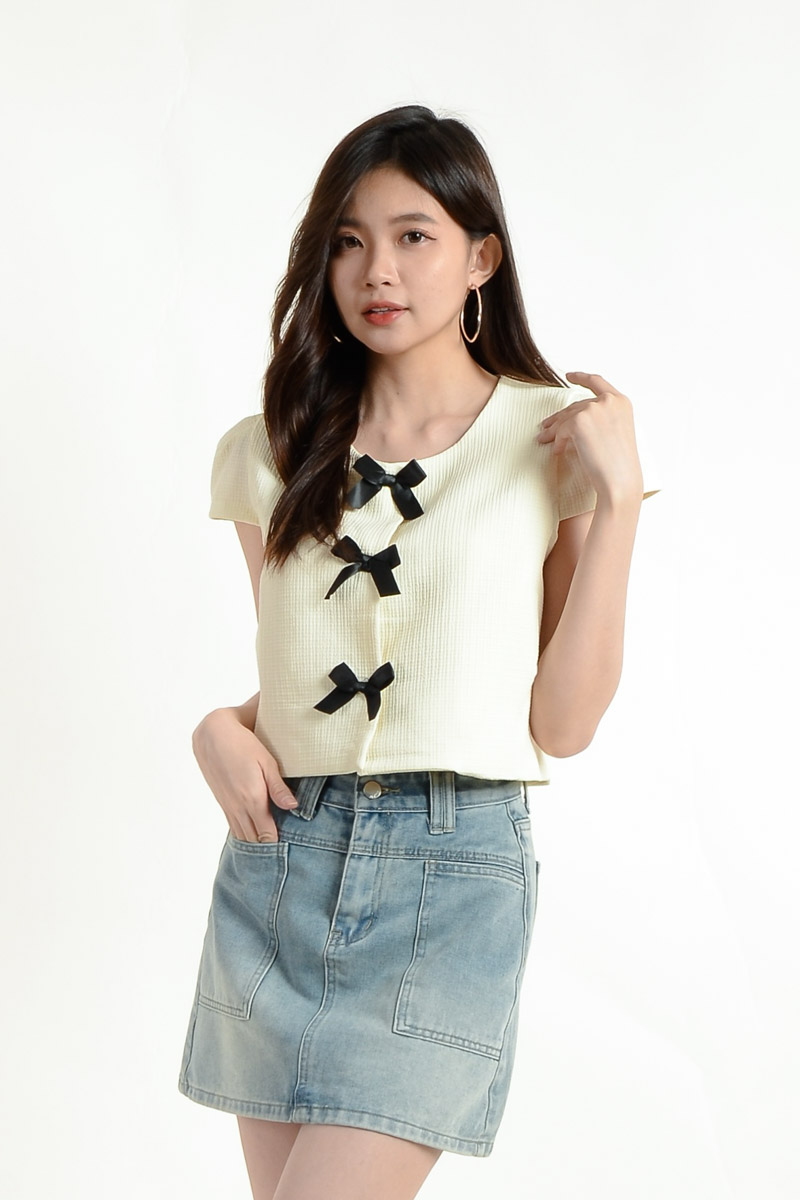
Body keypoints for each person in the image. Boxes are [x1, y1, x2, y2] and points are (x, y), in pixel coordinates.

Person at [177, 104, 659, 1200]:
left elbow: (562, 725)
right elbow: (302, 678)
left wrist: (619, 503)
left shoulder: (552, 441)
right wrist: (218, 727)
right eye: (348, 240)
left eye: (413, 236)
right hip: (282, 861)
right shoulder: (268, 451)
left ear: (481, 257)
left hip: (451, 876)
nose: (377, 270)